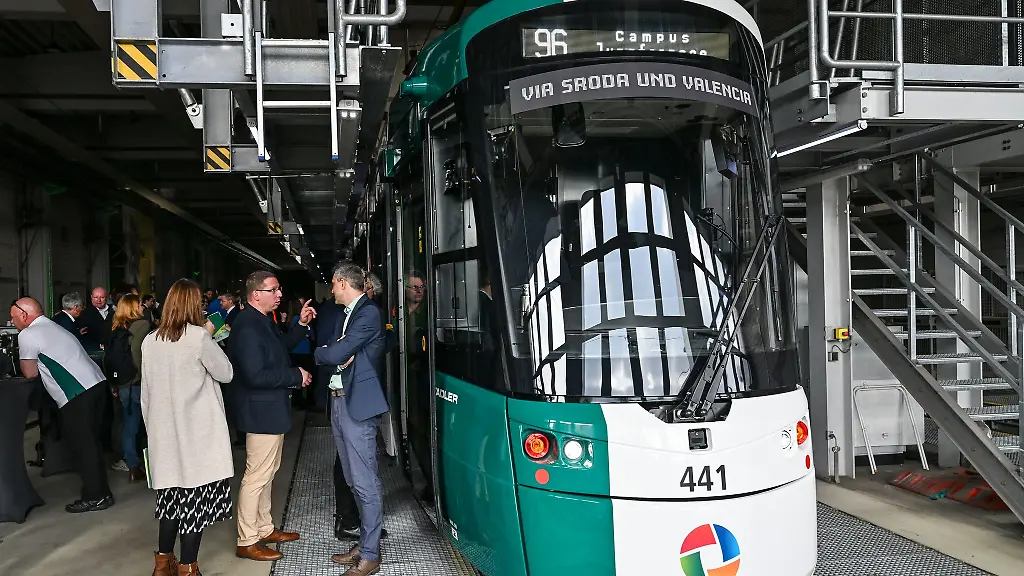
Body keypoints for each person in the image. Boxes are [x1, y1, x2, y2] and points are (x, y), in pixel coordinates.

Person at [142, 279, 235, 576]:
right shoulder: (198, 337)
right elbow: (226, 373)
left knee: (170, 504)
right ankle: (187, 568)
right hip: (196, 437)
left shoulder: (150, 340)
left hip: (163, 436)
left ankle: (162, 564)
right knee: (194, 506)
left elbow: (146, 393)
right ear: (196, 305)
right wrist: (210, 334)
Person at [228, 271, 316, 562]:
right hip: (260, 411)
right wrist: (295, 375)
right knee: (256, 477)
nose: (280, 295)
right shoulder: (248, 327)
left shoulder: (263, 321)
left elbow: (282, 348)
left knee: (267, 473)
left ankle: (264, 528)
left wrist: (301, 325)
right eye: (274, 290)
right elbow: (255, 375)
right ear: (256, 294)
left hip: (269, 410)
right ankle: (247, 539)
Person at [315, 261, 388, 576]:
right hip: (339, 402)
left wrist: (328, 352)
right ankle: (364, 541)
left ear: (343, 282)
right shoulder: (347, 315)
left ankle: (370, 555)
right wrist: (337, 352)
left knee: (365, 481)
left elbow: (330, 355)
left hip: (355, 404)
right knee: (351, 478)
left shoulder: (368, 313)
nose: (331, 290)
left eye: (333, 284)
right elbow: (338, 353)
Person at [11, 297, 114, 513]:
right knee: (93, 443)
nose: (12, 322)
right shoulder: (52, 325)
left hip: (76, 393)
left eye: (13, 318)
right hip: (97, 384)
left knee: (83, 447)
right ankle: (101, 492)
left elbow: (30, 373)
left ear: (24, 315)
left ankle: (96, 497)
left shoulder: (28, 334)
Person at [107, 294, 151, 482]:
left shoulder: (117, 326)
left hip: (122, 382)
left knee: (128, 424)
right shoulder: (142, 325)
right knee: (144, 425)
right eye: (140, 304)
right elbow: (136, 353)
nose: (143, 307)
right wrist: (143, 376)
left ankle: (131, 463)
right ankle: (137, 466)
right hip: (137, 382)